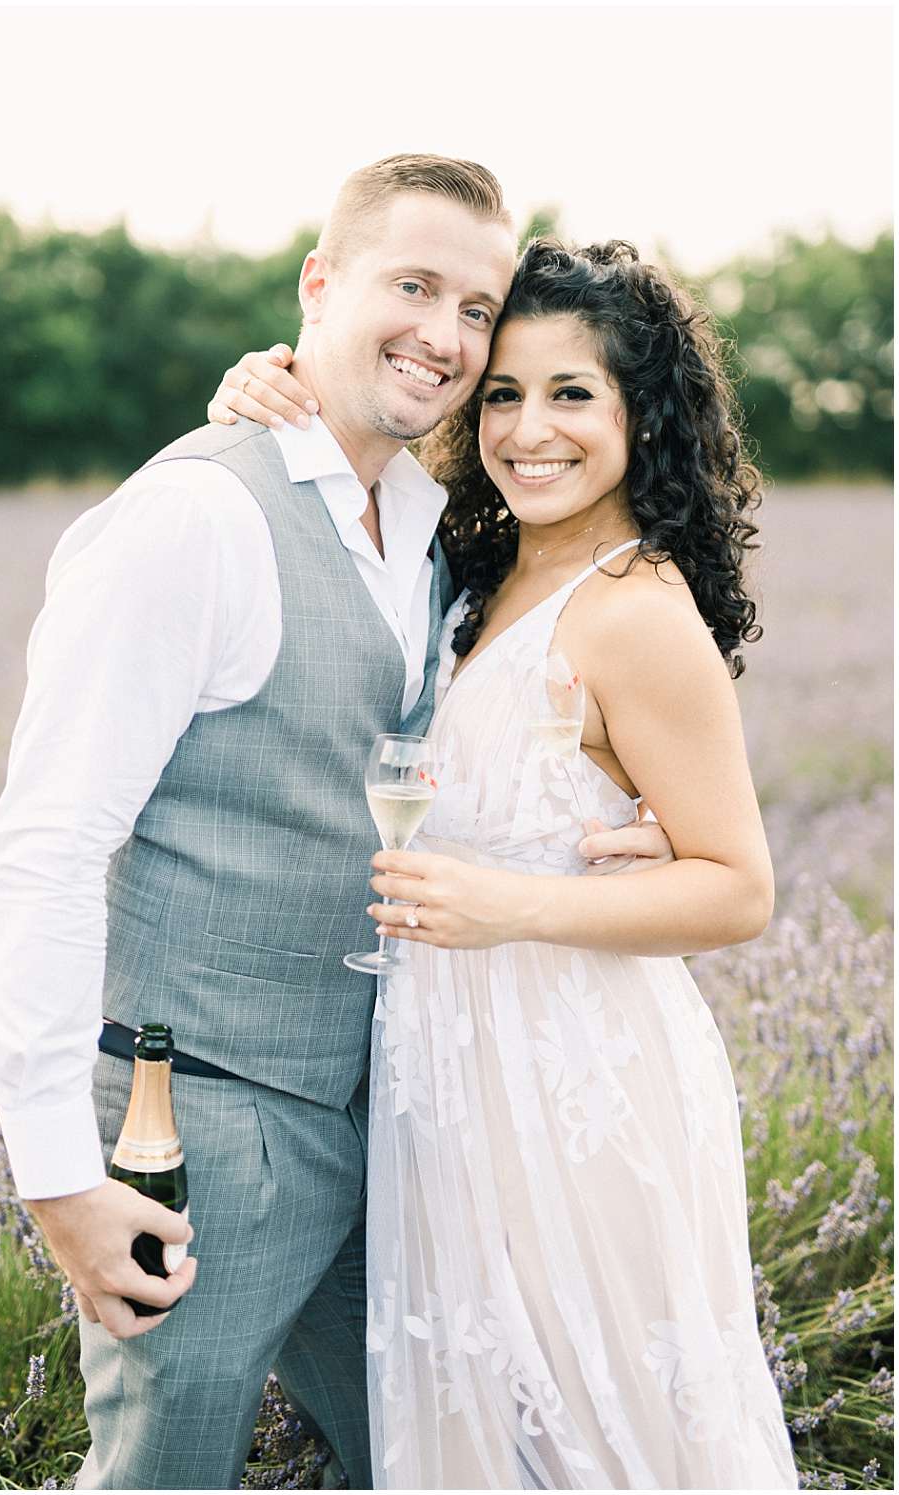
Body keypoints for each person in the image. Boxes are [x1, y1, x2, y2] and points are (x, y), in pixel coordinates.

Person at [0, 157, 670, 1492]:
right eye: (412, 285)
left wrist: (628, 803)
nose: (447, 334)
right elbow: (48, 845)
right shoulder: (193, 520)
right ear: (318, 284)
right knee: (163, 1471)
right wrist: (55, 1173)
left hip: (395, 1116)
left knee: (458, 1457)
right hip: (205, 1129)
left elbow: (509, 706)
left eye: (477, 306)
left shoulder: (421, 519)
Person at [207, 239, 798, 1488]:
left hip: (577, 1076)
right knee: (481, 1418)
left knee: (590, 1426)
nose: (530, 429)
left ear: (647, 412)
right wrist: (264, 392)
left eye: (573, 393)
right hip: (449, 1069)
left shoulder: (634, 607)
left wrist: (508, 901)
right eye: (504, 394)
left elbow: (738, 887)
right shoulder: (471, 572)